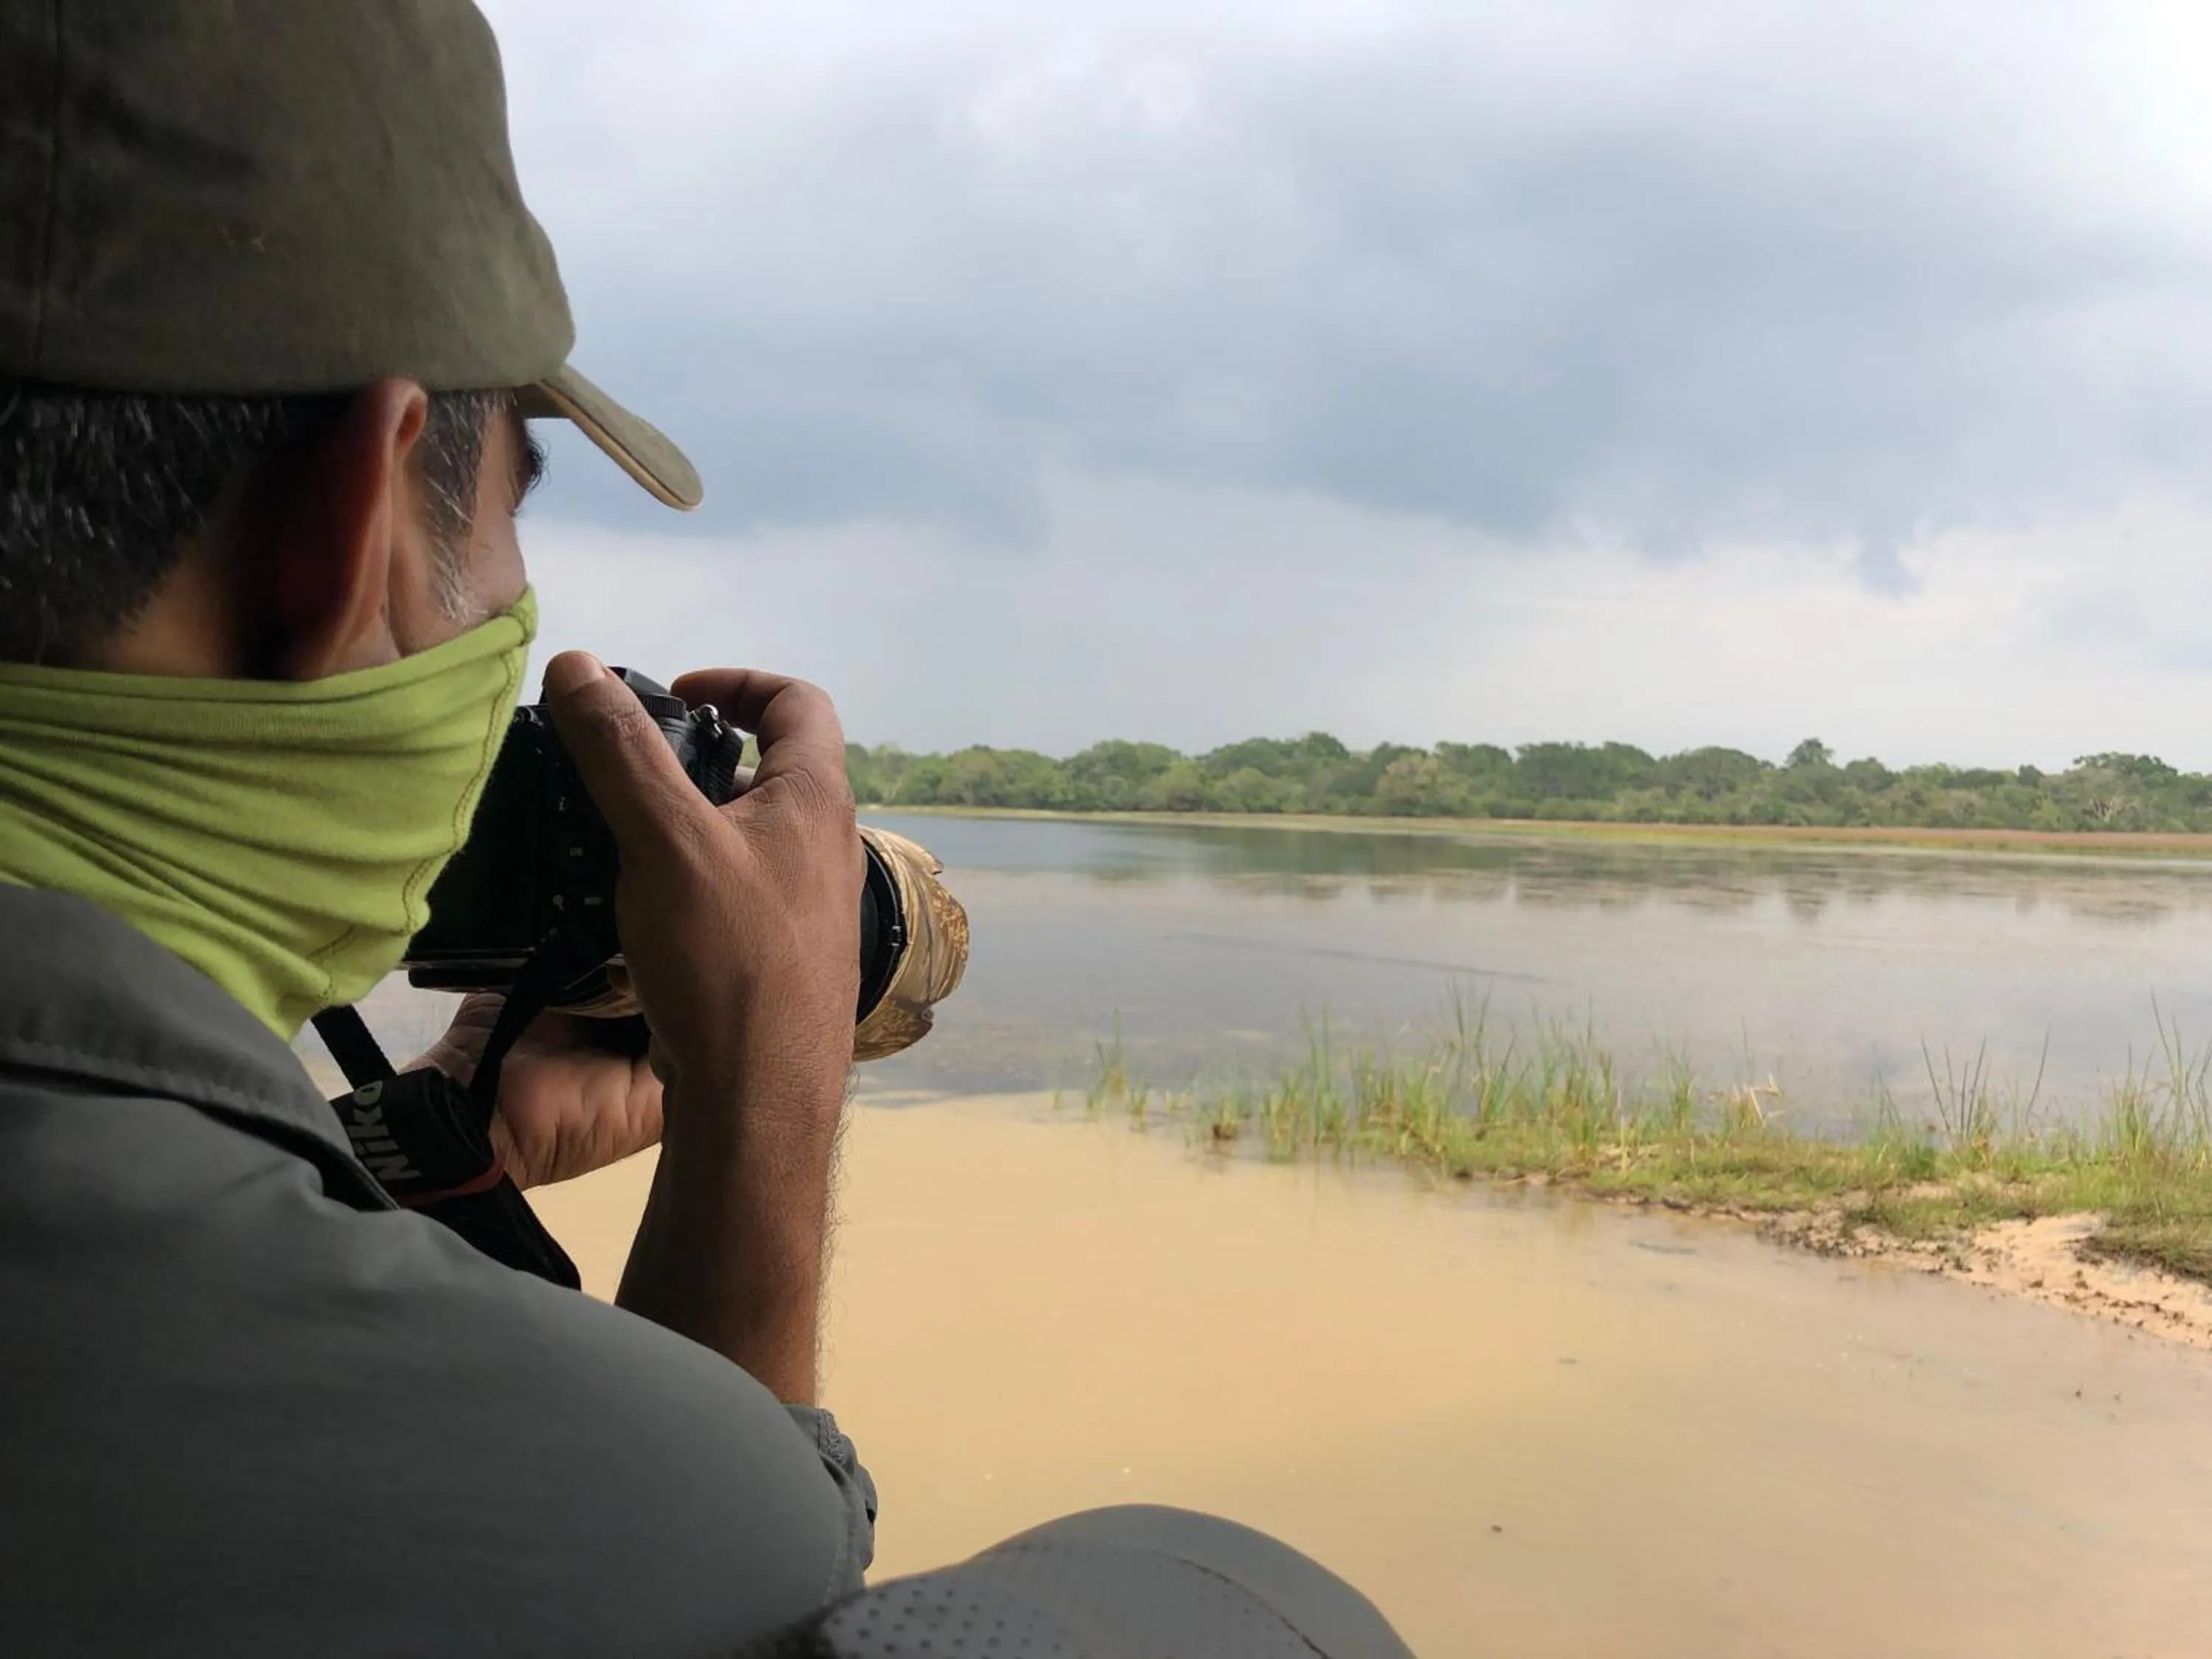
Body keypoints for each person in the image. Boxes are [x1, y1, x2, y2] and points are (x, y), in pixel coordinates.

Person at [0, 4, 1416, 1655]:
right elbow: (721, 1572)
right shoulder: (509, 1478)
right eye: (511, 512)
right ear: (349, 521)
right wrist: (766, 1090)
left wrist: (392, 1154)